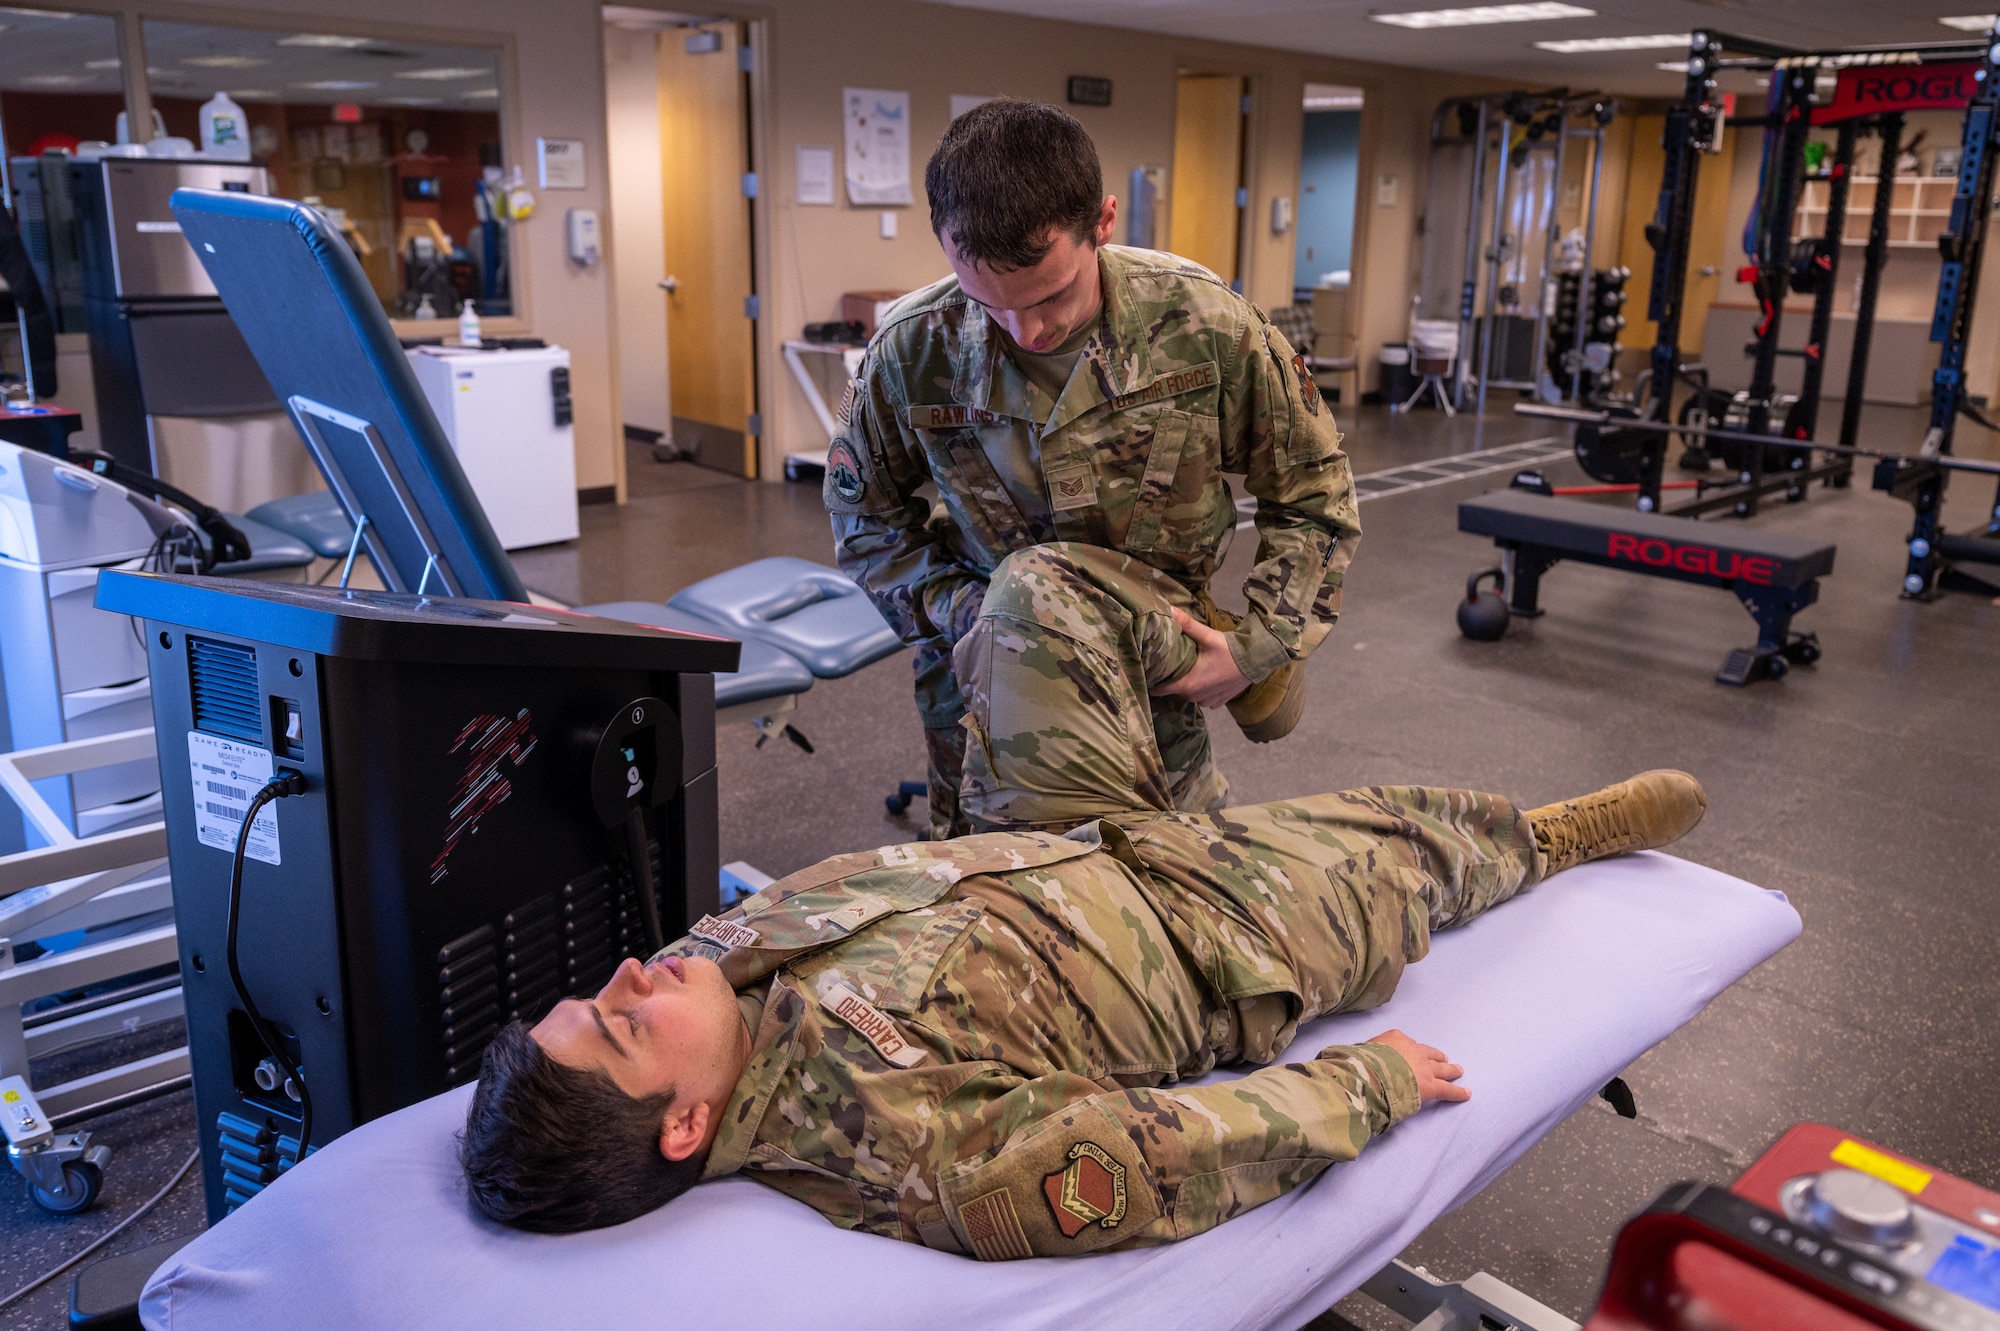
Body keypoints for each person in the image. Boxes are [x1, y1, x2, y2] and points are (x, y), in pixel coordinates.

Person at [460, 545, 1710, 1255]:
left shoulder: (702, 979)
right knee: (1404, 834)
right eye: (620, 1025)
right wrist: (1367, 1082)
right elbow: (1165, 1160)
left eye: (595, 994)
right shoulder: (899, 1148)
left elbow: (650, 1019)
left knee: (1037, 589)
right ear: (686, 1129)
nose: (628, 976)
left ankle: (1240, 652)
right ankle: (1546, 842)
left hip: (1043, 841)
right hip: (1211, 934)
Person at [825, 98, 1359, 838]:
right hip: (987, 694)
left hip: (1159, 682)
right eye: (991, 303)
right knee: (1002, 905)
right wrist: (978, 617)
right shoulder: (914, 349)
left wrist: (1255, 646)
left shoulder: (1204, 327)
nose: (1028, 329)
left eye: (1051, 295)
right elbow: (863, 520)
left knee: (1179, 892)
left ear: (1103, 223)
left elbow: (1313, 494)